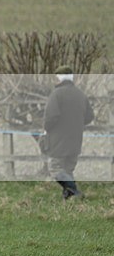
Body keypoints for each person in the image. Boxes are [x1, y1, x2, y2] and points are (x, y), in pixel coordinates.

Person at [43, 65, 94, 199]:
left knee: (55, 169)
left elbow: (51, 118)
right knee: (68, 169)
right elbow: (89, 116)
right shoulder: (80, 94)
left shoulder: (56, 95)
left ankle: (74, 191)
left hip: (59, 140)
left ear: (59, 78)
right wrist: (75, 124)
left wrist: (47, 128)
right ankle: (69, 199)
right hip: (76, 139)